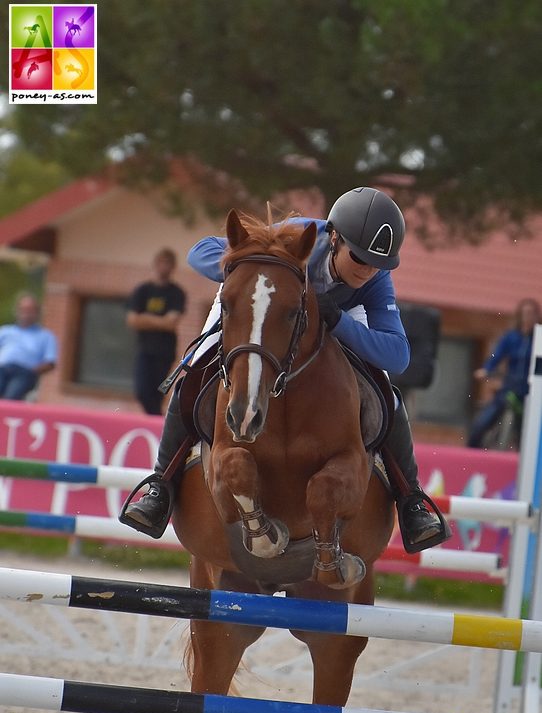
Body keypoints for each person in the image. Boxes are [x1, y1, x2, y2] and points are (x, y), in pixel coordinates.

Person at [122, 186, 450, 553]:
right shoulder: (298, 236)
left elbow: (399, 355)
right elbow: (200, 252)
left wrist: (338, 320)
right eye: (359, 258)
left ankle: (411, 500)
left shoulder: (374, 281)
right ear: (335, 238)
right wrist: (251, 263)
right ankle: (160, 486)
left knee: (384, 390)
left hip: (333, 321)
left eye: (379, 264)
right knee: (199, 367)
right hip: (265, 308)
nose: (369, 270)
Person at [468, 298, 541, 448]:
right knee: (482, 423)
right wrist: (486, 369)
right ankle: (471, 451)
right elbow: (497, 355)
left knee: (528, 431)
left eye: (531, 314)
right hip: (510, 388)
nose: (528, 317)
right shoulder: (511, 337)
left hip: (529, 392)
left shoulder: (538, 339)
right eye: (525, 313)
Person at [126, 247, 187, 415]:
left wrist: (144, 318)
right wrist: (159, 321)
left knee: (157, 394)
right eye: (161, 263)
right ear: (155, 264)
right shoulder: (142, 291)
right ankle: (155, 420)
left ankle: (154, 422)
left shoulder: (176, 293)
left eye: (168, 263)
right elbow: (132, 320)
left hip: (164, 351)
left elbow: (171, 323)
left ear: (173, 267)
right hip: (144, 349)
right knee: (141, 391)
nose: (164, 267)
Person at [0, 293, 58, 400]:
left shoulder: (46, 336)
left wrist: (31, 371)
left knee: (10, 398)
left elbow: (50, 362)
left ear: (37, 313)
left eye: (30, 311)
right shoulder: (5, 331)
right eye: (23, 310)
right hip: (2, 368)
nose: (26, 314)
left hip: (24, 372)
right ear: (17, 311)